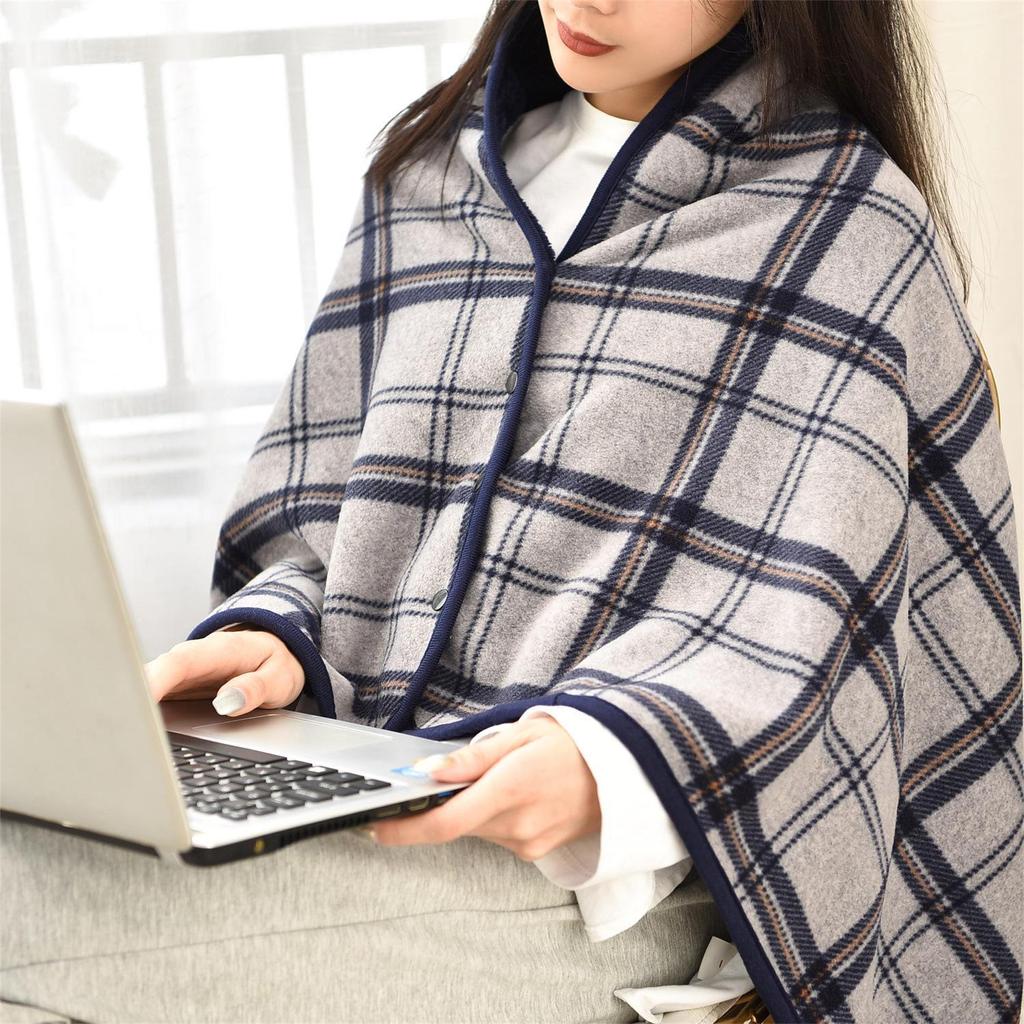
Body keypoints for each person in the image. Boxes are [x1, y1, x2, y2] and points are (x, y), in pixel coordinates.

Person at [3, 1, 1020, 1022]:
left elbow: (811, 618)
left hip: (607, 888)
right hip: (351, 800)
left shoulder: (844, 223)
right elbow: (324, 518)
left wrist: (608, 762)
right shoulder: (428, 175)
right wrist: (281, 637)